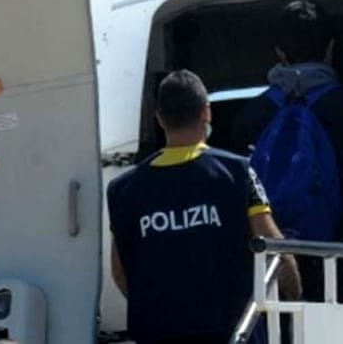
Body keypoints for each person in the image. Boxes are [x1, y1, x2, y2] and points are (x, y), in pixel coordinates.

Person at [109, 70, 300, 344]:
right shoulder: (236, 172)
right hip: (231, 332)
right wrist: (295, 300)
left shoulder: (123, 190)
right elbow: (273, 245)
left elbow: (120, 271)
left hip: (157, 332)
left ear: (160, 118)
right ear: (206, 112)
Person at [231, 0, 343, 304]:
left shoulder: (252, 114)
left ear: (279, 52)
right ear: (330, 48)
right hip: (342, 265)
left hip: (274, 265)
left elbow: (241, 198)